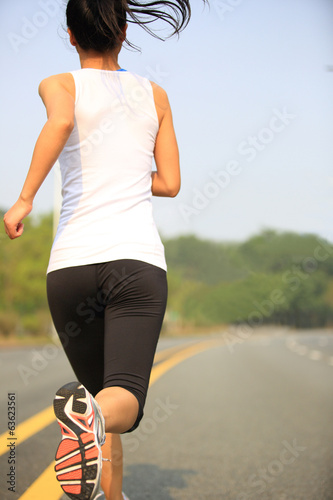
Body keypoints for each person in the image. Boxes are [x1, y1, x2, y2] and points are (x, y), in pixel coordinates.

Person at [3, 1, 206, 499]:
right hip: (134, 262)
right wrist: (129, 175)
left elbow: (61, 123)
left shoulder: (58, 84)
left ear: (71, 35)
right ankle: (90, 425)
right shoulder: (155, 94)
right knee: (123, 402)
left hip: (70, 266)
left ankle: (111, 495)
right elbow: (172, 183)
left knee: (97, 399)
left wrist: (24, 199)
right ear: (124, 29)